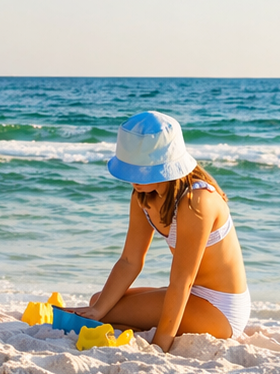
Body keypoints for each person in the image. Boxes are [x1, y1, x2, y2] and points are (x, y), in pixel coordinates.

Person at [83, 110, 250, 350]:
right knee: (99, 302)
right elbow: (130, 260)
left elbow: (182, 280)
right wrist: (97, 311)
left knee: (110, 311)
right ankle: (134, 327)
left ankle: (149, 332)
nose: (134, 179)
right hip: (193, 294)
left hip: (221, 309)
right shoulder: (143, 195)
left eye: (140, 169)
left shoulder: (196, 200)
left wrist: (160, 347)